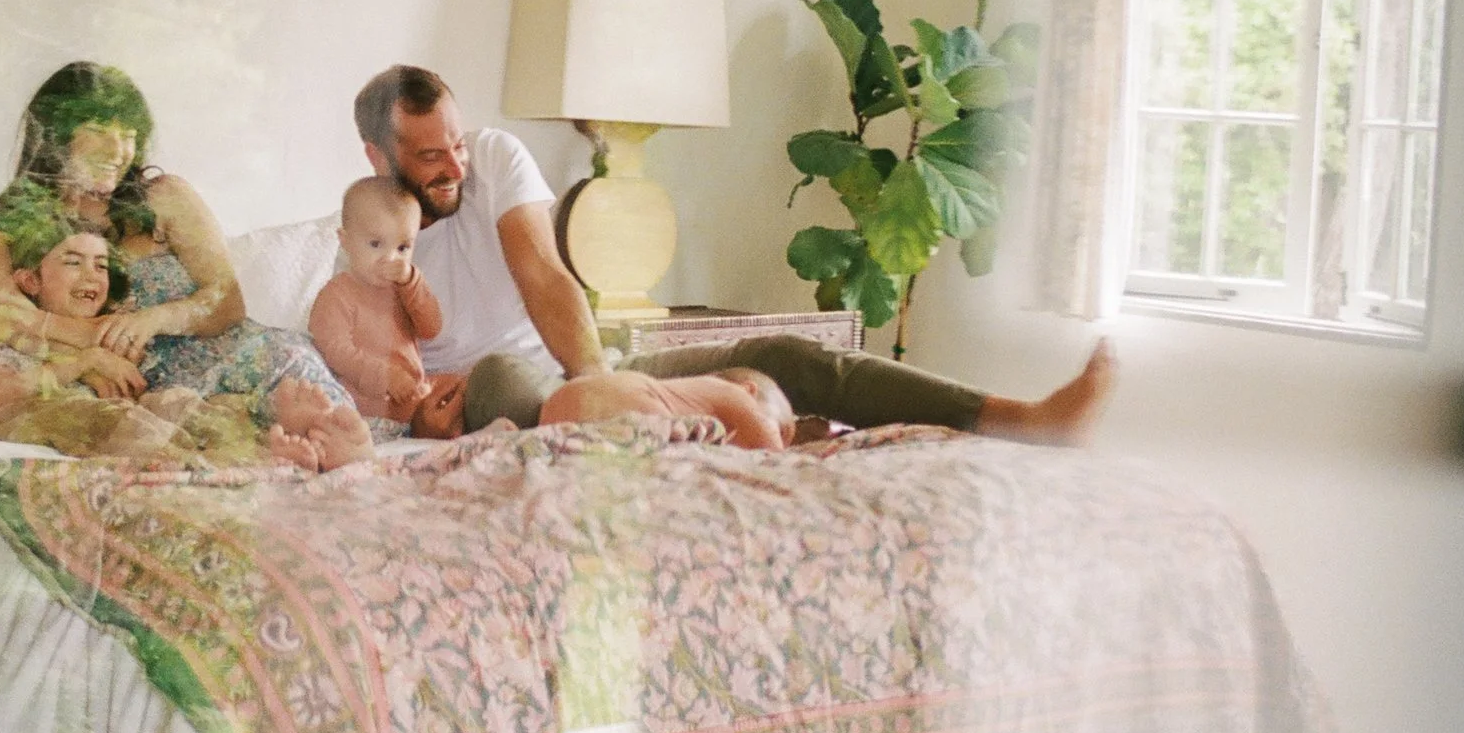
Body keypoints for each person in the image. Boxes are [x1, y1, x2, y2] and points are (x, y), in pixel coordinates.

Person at [351, 63, 1115, 440]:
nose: (455, 166)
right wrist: (420, 421)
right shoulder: (363, 241)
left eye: (456, 142)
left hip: (584, 375)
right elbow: (377, 384)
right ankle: (729, 419)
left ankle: (1017, 417)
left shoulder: (492, 157)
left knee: (786, 353)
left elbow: (543, 273)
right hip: (505, 403)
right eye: (430, 156)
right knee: (503, 377)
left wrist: (597, 376)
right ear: (379, 156)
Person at [0, 60, 368, 437]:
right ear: (56, 134)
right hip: (144, 393)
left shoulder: (165, 197)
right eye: (100, 130)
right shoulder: (21, 226)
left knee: (318, 416)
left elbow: (227, 301)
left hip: (238, 360)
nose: (118, 150)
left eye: (129, 135)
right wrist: (92, 356)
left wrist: (154, 319)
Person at [0, 184, 368, 469]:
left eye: (101, 266)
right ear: (29, 280)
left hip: (179, 405)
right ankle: (269, 455)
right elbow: (4, 393)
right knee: (163, 418)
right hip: (117, 419)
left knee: (200, 408)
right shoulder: (24, 337)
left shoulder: (111, 328)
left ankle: (298, 441)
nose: (92, 276)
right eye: (73, 263)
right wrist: (84, 362)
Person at [307, 177, 467, 439]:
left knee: (468, 382)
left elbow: (431, 328)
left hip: (415, 402)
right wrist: (384, 377)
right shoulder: (337, 294)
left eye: (403, 247)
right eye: (375, 244)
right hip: (368, 413)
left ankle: (489, 431)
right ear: (346, 241)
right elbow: (335, 351)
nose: (390, 258)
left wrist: (411, 282)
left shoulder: (403, 289)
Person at [537, 367, 795, 451]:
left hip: (558, 412)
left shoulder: (706, 429)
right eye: (781, 430)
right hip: (622, 399)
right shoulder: (730, 392)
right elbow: (766, 441)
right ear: (749, 390)